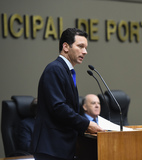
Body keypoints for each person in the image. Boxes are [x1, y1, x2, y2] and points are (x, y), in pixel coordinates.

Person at [30, 28, 103, 160]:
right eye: (80, 46)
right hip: (51, 148)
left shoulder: (66, 71)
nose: (85, 52)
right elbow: (58, 107)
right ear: (65, 47)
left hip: (61, 147)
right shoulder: (54, 69)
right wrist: (86, 124)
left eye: (85, 48)